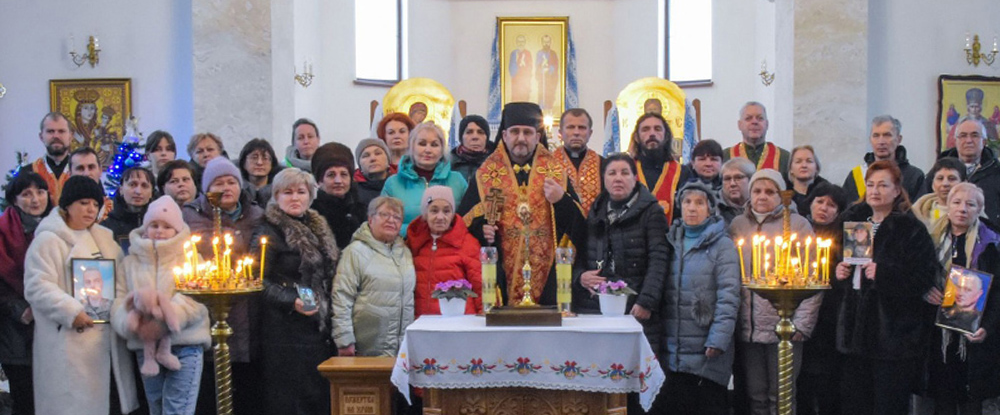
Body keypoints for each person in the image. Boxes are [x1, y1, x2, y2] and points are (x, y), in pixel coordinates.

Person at [23, 175, 138, 415]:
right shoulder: (48, 240)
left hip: (107, 339)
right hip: (68, 341)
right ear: (67, 205)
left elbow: (121, 283)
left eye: (95, 204)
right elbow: (37, 286)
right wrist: (71, 311)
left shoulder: (105, 240)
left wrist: (119, 312)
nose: (91, 209)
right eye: (84, 202)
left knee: (109, 403)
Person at [834, 160, 938, 415]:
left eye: (883, 185)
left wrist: (885, 274)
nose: (875, 190)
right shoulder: (853, 223)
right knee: (855, 403)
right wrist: (838, 271)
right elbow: (834, 260)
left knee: (888, 405)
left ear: (896, 190)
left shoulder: (909, 227)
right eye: (870, 185)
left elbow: (922, 277)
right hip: (854, 333)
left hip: (892, 336)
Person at [458, 102, 584, 306]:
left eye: (528, 132)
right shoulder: (486, 175)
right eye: (515, 132)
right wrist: (481, 230)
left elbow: (580, 228)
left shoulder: (556, 173)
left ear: (537, 136)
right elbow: (464, 224)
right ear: (504, 135)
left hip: (549, 279)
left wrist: (562, 200)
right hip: (500, 276)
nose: (521, 138)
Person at [729, 169, 819, 415]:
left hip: (786, 324)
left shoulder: (797, 225)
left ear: (781, 196)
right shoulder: (738, 225)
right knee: (756, 394)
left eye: (770, 192)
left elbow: (812, 277)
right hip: (748, 326)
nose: (762, 196)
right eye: (757, 191)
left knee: (782, 394)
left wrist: (802, 323)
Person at [251, 168, 339, 415]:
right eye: (287, 192)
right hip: (284, 331)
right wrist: (292, 301)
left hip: (316, 328)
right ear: (276, 196)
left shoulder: (317, 225)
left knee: (315, 396)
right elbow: (257, 281)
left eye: (301, 192)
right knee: (290, 401)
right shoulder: (268, 231)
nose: (295, 198)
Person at [110, 196, 210, 415]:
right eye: (154, 225)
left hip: (185, 343)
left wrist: (167, 317)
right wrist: (131, 323)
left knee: (178, 409)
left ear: (177, 230)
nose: (159, 231)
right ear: (145, 228)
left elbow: (197, 298)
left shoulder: (191, 258)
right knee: (156, 406)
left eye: (166, 226)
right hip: (145, 347)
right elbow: (119, 300)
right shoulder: (130, 263)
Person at [180, 157, 264, 415]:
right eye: (218, 182)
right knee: (211, 390)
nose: (226, 187)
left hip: (249, 313)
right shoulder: (191, 216)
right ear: (206, 188)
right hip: (209, 309)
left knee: (247, 392)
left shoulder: (257, 215)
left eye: (231, 181)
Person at [656, 182, 740, 415]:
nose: (692, 208)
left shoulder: (722, 245)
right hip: (672, 350)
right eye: (687, 202)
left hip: (706, 350)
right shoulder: (672, 241)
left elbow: (729, 295)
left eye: (699, 203)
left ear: (710, 209)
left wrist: (718, 339)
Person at [916, 182, 1000, 415]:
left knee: (970, 397)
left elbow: (998, 291)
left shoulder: (991, 242)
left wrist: (988, 327)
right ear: (947, 206)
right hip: (936, 331)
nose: (962, 208)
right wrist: (925, 289)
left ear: (979, 209)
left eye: (970, 204)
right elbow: (917, 275)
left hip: (975, 332)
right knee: (942, 395)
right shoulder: (929, 238)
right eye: (957, 202)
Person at [574, 153, 668, 342]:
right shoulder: (594, 211)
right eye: (612, 173)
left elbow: (659, 259)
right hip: (594, 307)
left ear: (635, 178)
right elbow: (579, 255)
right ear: (604, 179)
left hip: (634, 306)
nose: (618, 178)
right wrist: (580, 277)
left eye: (625, 173)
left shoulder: (652, 212)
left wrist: (646, 302)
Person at [332, 196, 415, 357]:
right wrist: (344, 339)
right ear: (370, 219)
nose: (391, 220)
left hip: (402, 349)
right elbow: (342, 297)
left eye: (397, 217)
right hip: (367, 346)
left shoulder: (405, 252)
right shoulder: (355, 251)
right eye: (385, 215)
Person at [0, 172, 52, 415]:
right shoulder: (2, 233)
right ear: (14, 199)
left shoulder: (55, 229)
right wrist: (19, 309)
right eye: (26, 194)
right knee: (25, 402)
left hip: (51, 329)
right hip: (15, 332)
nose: (35, 199)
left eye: (40, 192)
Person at [796, 182, 849, 415]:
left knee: (829, 384)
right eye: (820, 201)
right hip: (799, 314)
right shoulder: (797, 232)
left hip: (830, 319)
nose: (824, 208)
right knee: (801, 382)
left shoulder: (844, 238)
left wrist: (837, 275)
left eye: (831, 205)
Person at [406, 186, 483, 318]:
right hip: (421, 321)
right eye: (434, 211)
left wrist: (484, 314)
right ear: (425, 214)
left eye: (446, 211)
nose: (440, 217)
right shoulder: (413, 242)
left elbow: (481, 285)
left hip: (459, 321)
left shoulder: (467, 243)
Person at [381, 122, 467, 237]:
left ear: (442, 150)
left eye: (434, 145)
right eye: (422, 144)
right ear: (411, 147)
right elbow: (383, 222)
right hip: (405, 248)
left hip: (449, 248)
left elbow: (469, 218)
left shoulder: (457, 180)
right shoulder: (393, 183)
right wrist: (419, 231)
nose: (428, 150)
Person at [842, 115, 925, 203]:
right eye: (876, 136)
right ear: (870, 140)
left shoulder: (914, 176)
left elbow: (920, 212)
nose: (881, 141)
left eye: (887, 135)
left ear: (898, 139)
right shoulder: (857, 175)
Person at [935, 117, 1000, 224]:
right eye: (963, 136)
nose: (968, 140)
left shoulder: (996, 172)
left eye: (974, 135)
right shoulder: (939, 171)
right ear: (955, 141)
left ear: (983, 142)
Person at [628, 112, 689, 222]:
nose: (652, 133)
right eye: (645, 129)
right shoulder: (626, 171)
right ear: (636, 137)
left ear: (666, 136)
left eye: (657, 129)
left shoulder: (682, 173)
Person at [311, 142, 367, 250]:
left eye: (344, 174)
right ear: (319, 181)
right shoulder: (312, 213)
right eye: (331, 175)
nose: (338, 181)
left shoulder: (361, 211)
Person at [552, 108, 603, 215]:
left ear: (590, 133)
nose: (576, 132)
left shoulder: (604, 165)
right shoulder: (548, 164)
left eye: (582, 128)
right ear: (560, 132)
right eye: (570, 127)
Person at [723, 102, 791, 178]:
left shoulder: (785, 158)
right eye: (748, 118)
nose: (754, 122)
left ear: (767, 124)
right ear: (739, 125)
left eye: (760, 118)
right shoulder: (725, 156)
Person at [20, 112, 73, 205]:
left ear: (70, 136)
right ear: (41, 137)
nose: (56, 136)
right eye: (50, 131)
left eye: (61, 131)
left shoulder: (83, 171)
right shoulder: (27, 172)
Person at [101, 167, 155, 245]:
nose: (138, 191)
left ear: (151, 193)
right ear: (121, 189)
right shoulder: (106, 228)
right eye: (132, 184)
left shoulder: (159, 226)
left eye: (144, 186)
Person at [913, 157, 967, 229]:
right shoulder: (915, 214)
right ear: (933, 184)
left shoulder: (975, 215)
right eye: (940, 178)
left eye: (952, 179)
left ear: (964, 183)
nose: (945, 184)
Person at [677, 139, 725, 218]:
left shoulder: (728, 186)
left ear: (722, 162)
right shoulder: (680, 185)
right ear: (692, 162)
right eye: (702, 159)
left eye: (714, 159)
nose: (708, 164)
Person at [68, 147, 114, 220]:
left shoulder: (113, 211)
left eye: (91, 167)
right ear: (69, 174)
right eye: (80, 168)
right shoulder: (63, 212)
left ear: (100, 171)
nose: (86, 173)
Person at [449, 115, 493, 183]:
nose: (475, 137)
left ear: (487, 138)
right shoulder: (448, 164)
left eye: (480, 132)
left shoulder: (496, 163)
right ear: (461, 138)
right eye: (469, 132)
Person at [787, 145, 828, 216]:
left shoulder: (827, 195)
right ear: (791, 169)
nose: (804, 165)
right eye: (798, 161)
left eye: (809, 161)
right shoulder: (783, 195)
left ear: (816, 168)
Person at [238, 138, 281, 207]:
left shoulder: (280, 191)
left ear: (272, 164)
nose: (259, 162)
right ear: (243, 163)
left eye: (265, 158)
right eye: (254, 157)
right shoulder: (237, 191)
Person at [354, 138, 393, 208]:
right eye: (366, 155)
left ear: (388, 160)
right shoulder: (353, 192)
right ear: (360, 167)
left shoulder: (400, 185)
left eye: (378, 153)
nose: (373, 158)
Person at [719, 157, 755, 224]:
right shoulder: (712, 208)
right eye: (727, 179)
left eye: (738, 177)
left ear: (751, 180)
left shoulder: (761, 205)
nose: (732, 184)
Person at [535, 34, 559, 110]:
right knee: (541, 94)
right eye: (544, 42)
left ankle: (549, 108)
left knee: (550, 96)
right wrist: (541, 69)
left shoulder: (553, 54)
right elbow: (537, 65)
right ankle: (541, 109)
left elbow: (555, 65)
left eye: (548, 42)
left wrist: (549, 69)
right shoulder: (539, 53)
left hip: (551, 80)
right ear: (542, 43)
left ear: (550, 42)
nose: (546, 44)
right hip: (542, 79)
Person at [509, 35, 532, 101]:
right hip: (516, 80)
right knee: (516, 98)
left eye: (522, 41)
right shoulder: (513, 53)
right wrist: (516, 61)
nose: (520, 43)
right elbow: (511, 68)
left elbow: (530, 67)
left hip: (525, 80)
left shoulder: (528, 53)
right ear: (516, 43)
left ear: (524, 42)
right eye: (519, 41)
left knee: (525, 98)